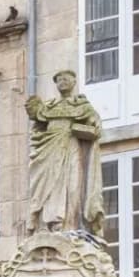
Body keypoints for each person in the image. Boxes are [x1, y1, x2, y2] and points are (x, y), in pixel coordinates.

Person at [26, 70, 104, 235]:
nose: (63, 82)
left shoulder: (82, 106)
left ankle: (70, 225)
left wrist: (82, 128)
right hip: (50, 148)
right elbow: (37, 129)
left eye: (66, 79)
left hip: (72, 147)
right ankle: (45, 225)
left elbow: (96, 127)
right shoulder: (49, 107)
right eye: (59, 80)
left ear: (74, 82)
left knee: (72, 185)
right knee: (48, 185)